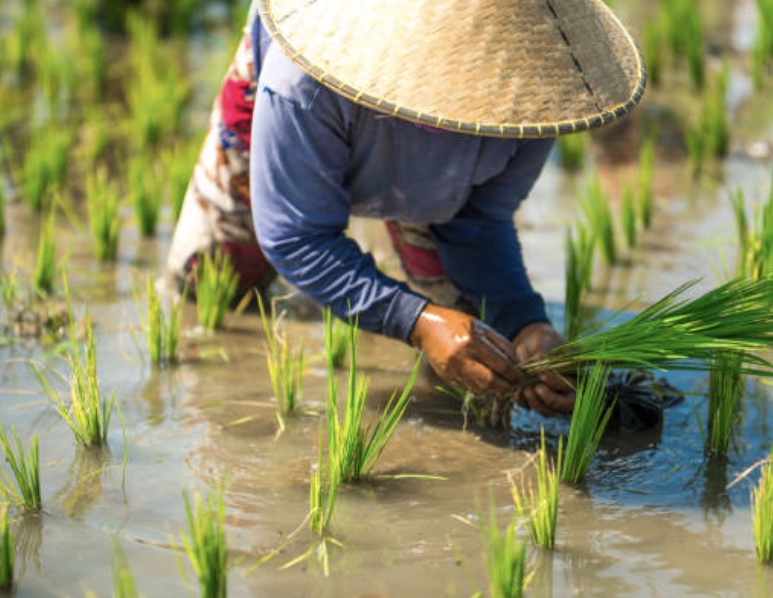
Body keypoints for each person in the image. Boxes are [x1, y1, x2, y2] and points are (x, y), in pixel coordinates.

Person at [165, 0, 646, 422]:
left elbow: (477, 222)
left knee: (480, 356)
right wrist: (416, 320)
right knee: (206, 289)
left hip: (440, 188)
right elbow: (295, 235)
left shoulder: (539, 97)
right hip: (297, 109)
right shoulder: (300, 78)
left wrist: (527, 324)